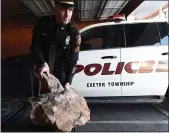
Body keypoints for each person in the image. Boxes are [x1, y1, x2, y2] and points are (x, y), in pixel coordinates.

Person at [30, 0, 81, 91]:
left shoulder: (73, 31)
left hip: (60, 71)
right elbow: (35, 46)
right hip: (42, 68)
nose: (67, 15)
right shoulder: (43, 23)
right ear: (55, 10)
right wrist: (43, 63)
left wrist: (68, 81)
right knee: (40, 99)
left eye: (70, 10)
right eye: (63, 10)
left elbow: (73, 60)